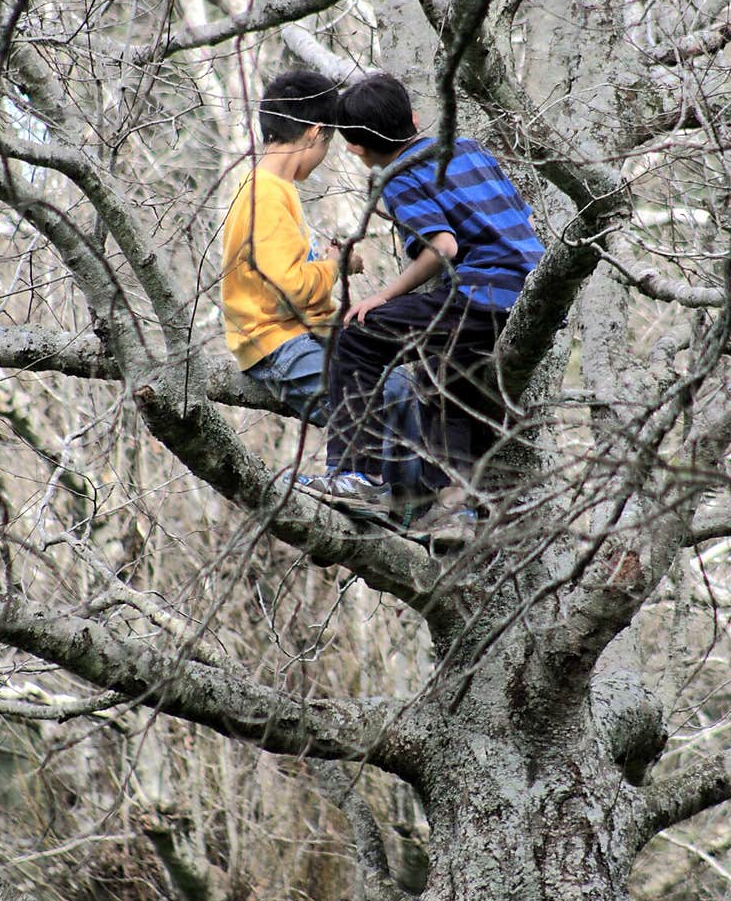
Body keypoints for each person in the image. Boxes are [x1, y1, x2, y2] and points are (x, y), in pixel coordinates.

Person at [302, 71, 545, 544]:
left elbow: (442, 247)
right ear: (414, 118)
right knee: (443, 375)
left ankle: (356, 475)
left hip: (480, 293)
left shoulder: (399, 175)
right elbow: (519, 217)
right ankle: (457, 511)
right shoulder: (470, 148)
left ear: (355, 148)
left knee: (358, 336)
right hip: (528, 293)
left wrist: (382, 296)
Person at [220, 68, 423, 492]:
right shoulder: (266, 193)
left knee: (404, 382)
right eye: (329, 141)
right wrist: (333, 264)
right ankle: (380, 494)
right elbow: (288, 290)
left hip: (302, 334)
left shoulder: (277, 187)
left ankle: (395, 499)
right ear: (315, 133)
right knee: (385, 393)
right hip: (278, 343)